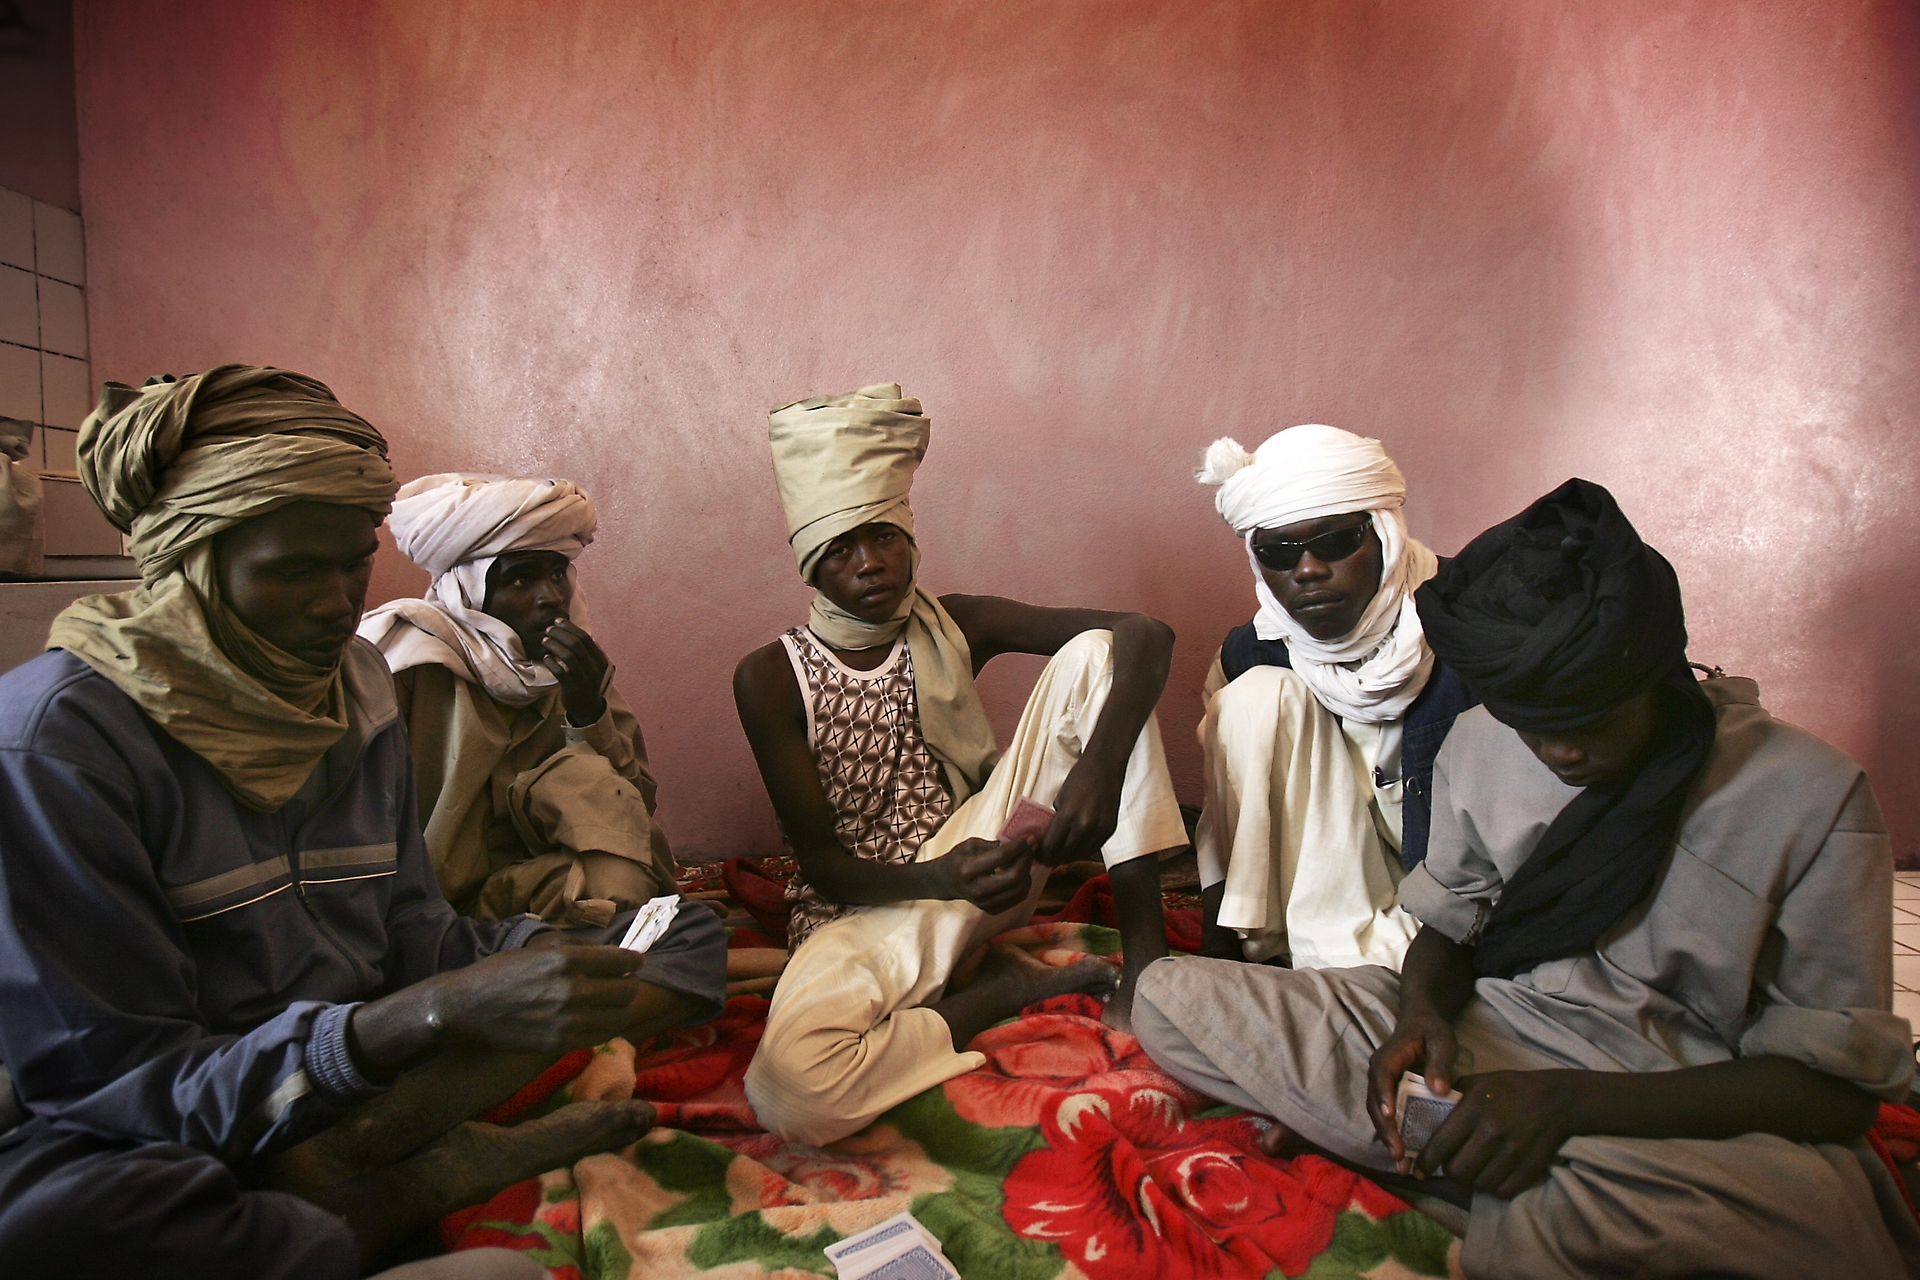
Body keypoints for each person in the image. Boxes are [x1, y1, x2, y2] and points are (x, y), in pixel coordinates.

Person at [0, 367, 726, 1279]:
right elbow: (119, 1086)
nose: (340, 601)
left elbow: (412, 923)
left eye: (354, 562)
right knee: (68, 1221)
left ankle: (351, 1157)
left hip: (368, 1057)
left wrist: (526, 960)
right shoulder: (60, 742)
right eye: (295, 570)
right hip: (198, 1107)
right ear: (192, 564)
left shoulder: (356, 683)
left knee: (682, 935)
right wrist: (428, 1015)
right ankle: (399, 1179)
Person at [1134, 479, 1919, 1279]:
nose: (1559, 752)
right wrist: (1420, 1018)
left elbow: (1838, 1094)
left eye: (1589, 721)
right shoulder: (1483, 739)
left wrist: (1566, 1105)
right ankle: (1496, 1166)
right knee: (1169, 1000)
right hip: (1493, 1041)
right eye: (1532, 727)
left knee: (1779, 1225)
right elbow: (1450, 930)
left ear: (1655, 672)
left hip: (1677, 1094)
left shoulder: (1809, 793)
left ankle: (1476, 1166)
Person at [735, 383, 1188, 1146]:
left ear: (910, 539)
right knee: (791, 1089)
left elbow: (1146, 633)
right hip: (868, 914)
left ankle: (1147, 964)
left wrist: (1097, 771)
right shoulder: (770, 678)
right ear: (810, 566)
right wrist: (940, 880)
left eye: (884, 536)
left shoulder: (957, 623)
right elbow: (823, 867)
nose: (870, 563)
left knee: (1099, 657)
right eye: (841, 548)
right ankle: (997, 994)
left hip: (988, 866)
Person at [1191, 425, 1474, 968]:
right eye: (1278, 552)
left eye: (1336, 542)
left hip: (1451, 902)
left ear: (1384, 533)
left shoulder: (1472, 624)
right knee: (1254, 698)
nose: (1308, 570)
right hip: (1322, 902)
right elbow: (1227, 812)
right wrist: (1215, 954)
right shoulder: (1249, 654)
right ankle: (1313, 952)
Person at [359, 473, 677, 926]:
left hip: (521, 887)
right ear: (470, 592)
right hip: (422, 905)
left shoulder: (574, 670)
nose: (552, 597)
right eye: (522, 580)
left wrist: (587, 711)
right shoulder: (407, 665)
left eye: (557, 575)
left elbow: (632, 815)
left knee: (621, 881)